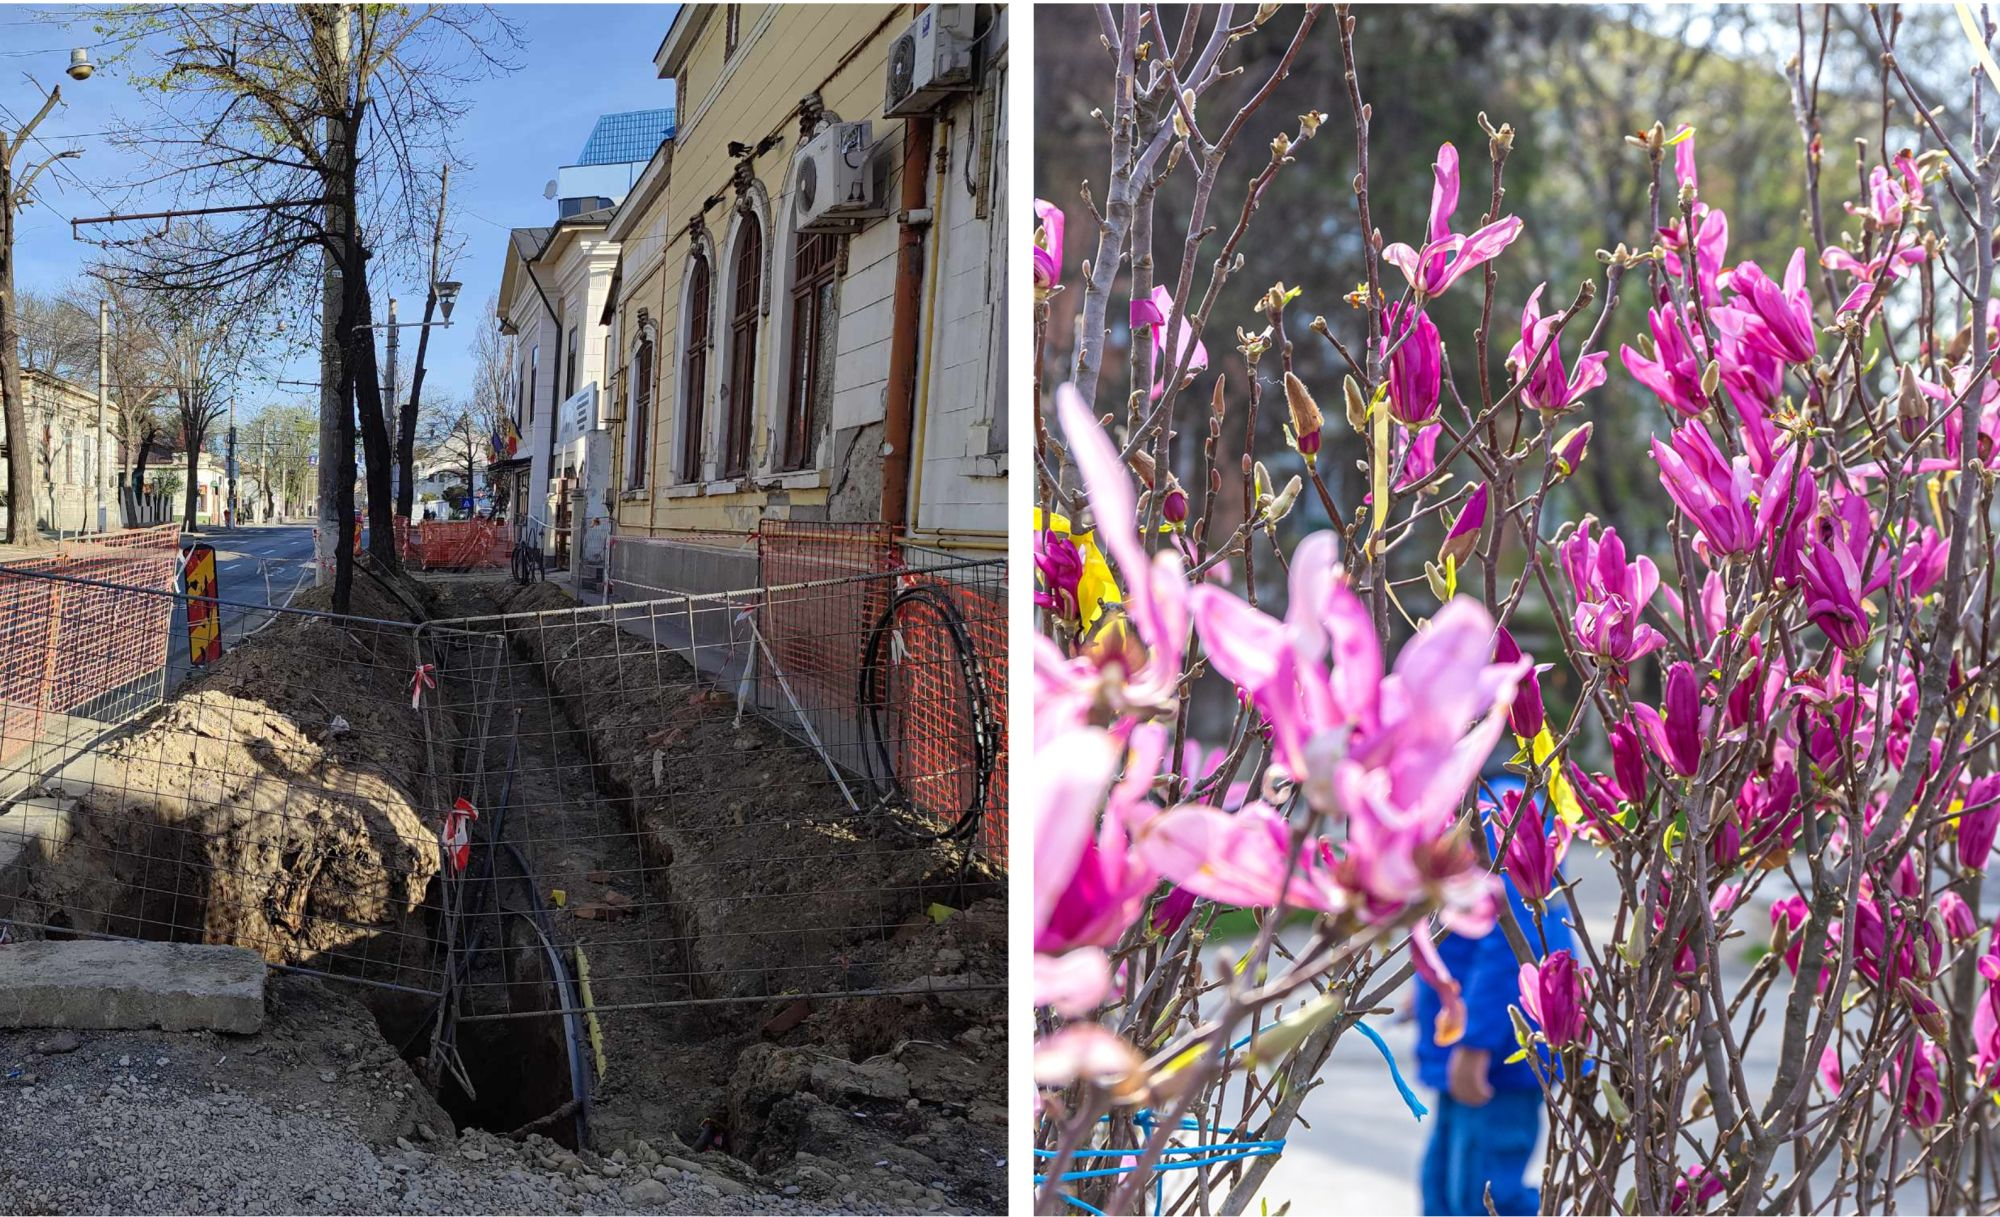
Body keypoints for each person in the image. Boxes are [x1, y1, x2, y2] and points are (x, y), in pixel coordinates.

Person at [1414, 771, 1574, 1216]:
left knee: (1485, 1196)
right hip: (1463, 1056)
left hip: (1496, 1066)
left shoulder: (1498, 815)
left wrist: (1478, 1043)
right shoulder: (1452, 809)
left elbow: (1513, 950)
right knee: (1442, 1188)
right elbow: (1458, 931)